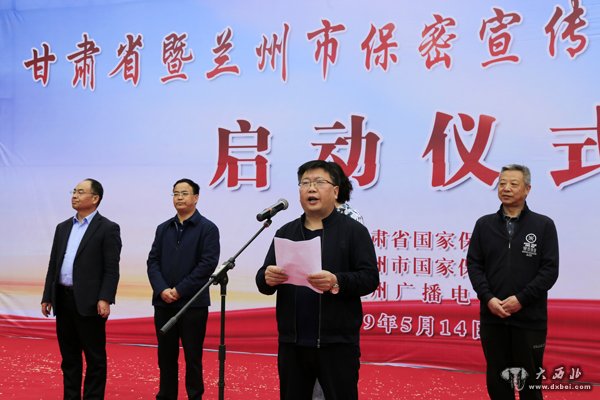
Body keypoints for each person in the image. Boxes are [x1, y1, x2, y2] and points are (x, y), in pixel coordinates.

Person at [256, 160, 379, 400]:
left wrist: (336, 281)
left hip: (337, 344)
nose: (311, 188)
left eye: (319, 182)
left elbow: (369, 278)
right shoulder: (286, 232)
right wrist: (267, 277)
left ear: (335, 191)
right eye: (305, 183)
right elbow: (263, 280)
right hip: (293, 344)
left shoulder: (353, 231)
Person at [467, 164, 559, 400]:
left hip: (529, 319)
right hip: (493, 317)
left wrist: (521, 299)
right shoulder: (484, 225)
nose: (506, 188)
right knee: (498, 382)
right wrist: (488, 298)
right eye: (502, 183)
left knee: (530, 384)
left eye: (513, 184)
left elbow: (549, 271)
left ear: (527, 189)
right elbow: (474, 265)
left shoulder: (543, 225)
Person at [41, 178, 121, 399]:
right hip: (63, 299)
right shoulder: (63, 227)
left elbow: (111, 268)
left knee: (95, 359)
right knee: (69, 358)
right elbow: (53, 264)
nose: (74, 196)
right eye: (74, 191)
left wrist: (105, 298)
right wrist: (47, 296)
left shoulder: (108, 228)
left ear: (95, 198)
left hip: (90, 302)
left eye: (80, 192)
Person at [147, 178, 220, 400]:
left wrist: (179, 290)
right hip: (163, 303)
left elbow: (207, 265)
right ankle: (166, 395)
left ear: (196, 198)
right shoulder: (163, 228)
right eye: (175, 193)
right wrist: (162, 289)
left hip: (192, 304)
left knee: (193, 357)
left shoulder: (208, 228)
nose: (179, 197)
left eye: (184, 193)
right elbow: (153, 262)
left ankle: (194, 396)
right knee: (165, 356)